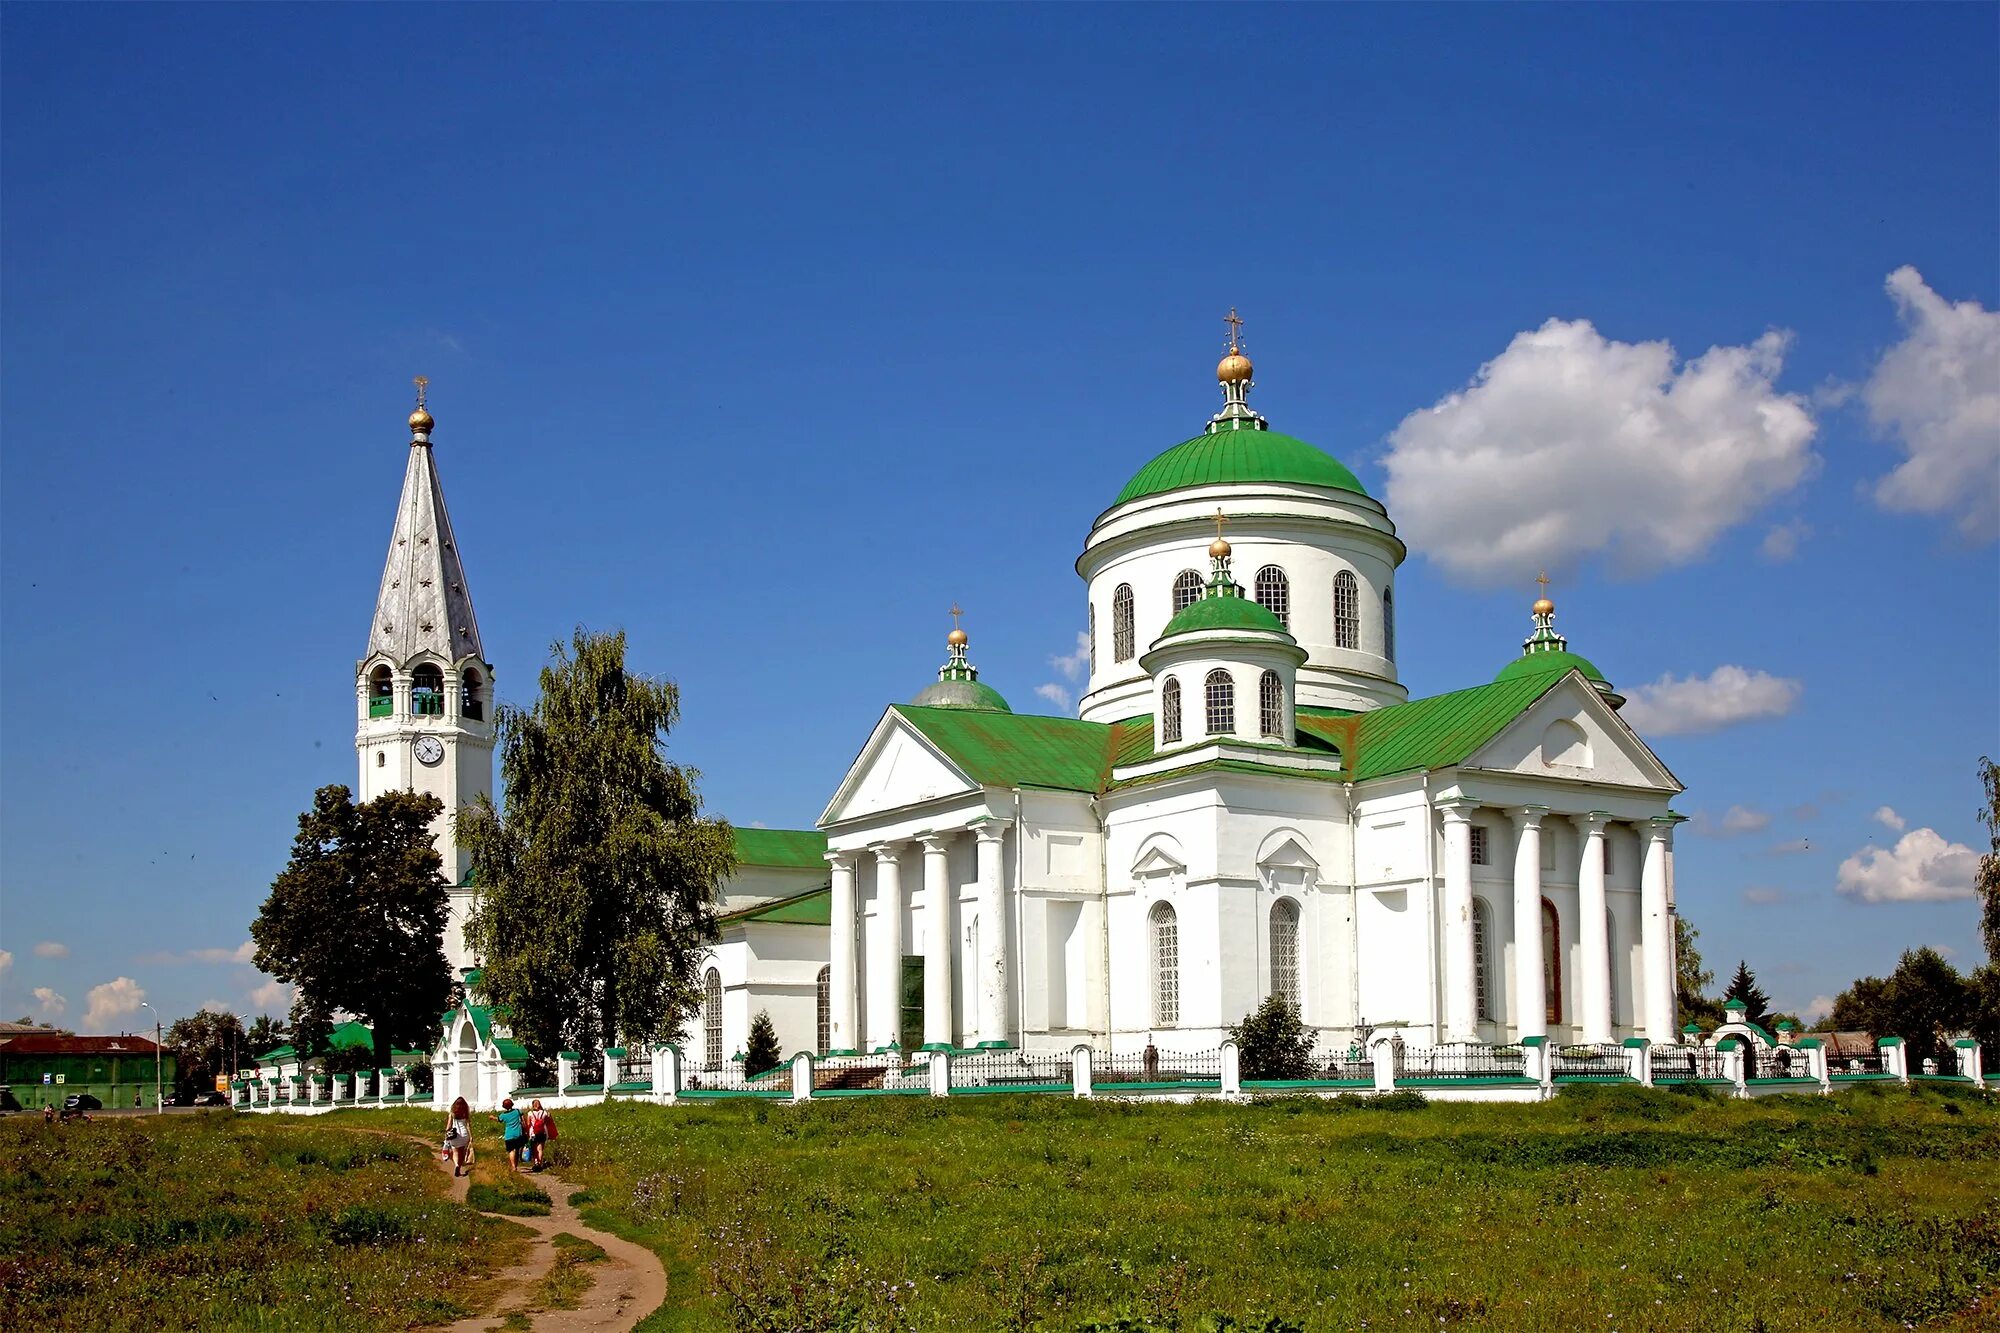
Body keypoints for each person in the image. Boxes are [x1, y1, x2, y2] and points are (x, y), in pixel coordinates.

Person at [494, 1097, 528, 1171]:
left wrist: (492, 1117)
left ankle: (513, 1166)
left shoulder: (503, 1115)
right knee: (517, 1150)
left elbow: (498, 1119)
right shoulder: (517, 1111)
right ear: (512, 1104)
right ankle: (517, 1163)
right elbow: (523, 1121)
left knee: (511, 1151)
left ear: (504, 1106)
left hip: (509, 1135)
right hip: (518, 1133)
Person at [443, 1097, 472, 1176]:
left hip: (455, 1135)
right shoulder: (465, 1113)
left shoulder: (452, 1113)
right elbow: (468, 1125)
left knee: (455, 1152)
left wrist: (446, 1133)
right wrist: (471, 1136)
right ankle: (459, 1166)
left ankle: (456, 1165)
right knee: (462, 1152)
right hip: (464, 1134)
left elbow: (448, 1126)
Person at [526, 1098, 552, 1170]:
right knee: (540, 1149)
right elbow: (548, 1122)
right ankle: (540, 1164)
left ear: (533, 1105)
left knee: (534, 1149)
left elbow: (528, 1124)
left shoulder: (530, 1113)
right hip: (543, 1132)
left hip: (533, 1133)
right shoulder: (545, 1113)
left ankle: (536, 1162)